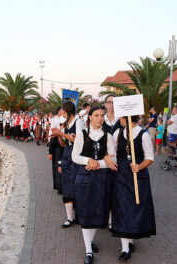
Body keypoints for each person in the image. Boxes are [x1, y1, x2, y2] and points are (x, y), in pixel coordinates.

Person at [71, 105, 117, 264]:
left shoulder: (108, 136)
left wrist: (96, 163)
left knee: (98, 212)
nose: (100, 118)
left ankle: (91, 240)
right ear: (89, 117)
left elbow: (113, 160)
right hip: (84, 178)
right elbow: (75, 156)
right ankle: (88, 251)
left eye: (102, 115)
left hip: (102, 178)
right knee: (85, 211)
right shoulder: (81, 135)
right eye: (96, 115)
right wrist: (87, 161)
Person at [112, 115, 156, 261]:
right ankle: (125, 248)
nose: (120, 120)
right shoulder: (118, 132)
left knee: (135, 209)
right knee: (122, 209)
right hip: (121, 177)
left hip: (138, 176)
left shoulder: (143, 135)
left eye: (122, 117)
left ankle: (130, 239)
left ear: (127, 118)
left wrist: (139, 166)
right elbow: (112, 154)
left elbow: (150, 157)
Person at [50, 101, 79, 230]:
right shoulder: (66, 124)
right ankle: (69, 217)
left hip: (77, 155)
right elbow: (63, 144)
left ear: (67, 111)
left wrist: (61, 133)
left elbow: (78, 139)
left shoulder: (79, 122)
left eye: (62, 110)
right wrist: (58, 135)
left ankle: (79, 214)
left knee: (77, 184)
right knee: (67, 184)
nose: (61, 113)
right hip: (67, 154)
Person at [48, 107, 64, 193]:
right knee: (57, 167)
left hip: (65, 148)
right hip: (57, 148)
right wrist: (50, 151)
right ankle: (58, 186)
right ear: (59, 111)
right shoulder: (54, 120)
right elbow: (52, 136)